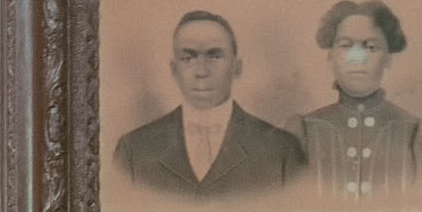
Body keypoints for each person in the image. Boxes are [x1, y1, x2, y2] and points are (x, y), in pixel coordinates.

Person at [113, 11, 306, 199]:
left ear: (236, 68)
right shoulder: (133, 150)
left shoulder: (282, 150)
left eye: (215, 56)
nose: (201, 72)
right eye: (188, 58)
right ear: (174, 69)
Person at [289, 0, 422, 203]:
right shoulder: (302, 131)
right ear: (331, 57)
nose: (357, 58)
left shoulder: (417, 133)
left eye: (371, 47)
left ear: (388, 59)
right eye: (345, 45)